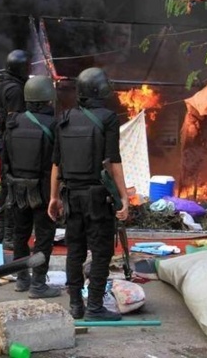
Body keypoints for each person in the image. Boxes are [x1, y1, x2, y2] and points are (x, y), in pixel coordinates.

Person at [47, 67, 129, 321]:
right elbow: (113, 161)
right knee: (101, 252)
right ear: (100, 91)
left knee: (75, 252)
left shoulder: (64, 118)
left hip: (71, 197)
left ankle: (75, 306)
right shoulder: (108, 118)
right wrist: (124, 198)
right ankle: (94, 306)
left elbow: (56, 164)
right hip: (98, 198)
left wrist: (54, 197)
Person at [2, 75, 60, 298]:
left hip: (17, 189)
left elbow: (4, 159)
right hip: (44, 190)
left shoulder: (13, 123)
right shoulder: (53, 124)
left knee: (20, 234)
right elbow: (58, 160)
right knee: (44, 236)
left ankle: (22, 279)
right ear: (48, 99)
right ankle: (38, 284)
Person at [0, 49, 31, 250]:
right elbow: (15, 120)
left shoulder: (3, 84)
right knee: (12, 189)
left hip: (4, 141)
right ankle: (8, 237)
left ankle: (0, 234)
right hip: (11, 144)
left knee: (7, 187)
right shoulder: (14, 89)